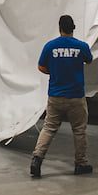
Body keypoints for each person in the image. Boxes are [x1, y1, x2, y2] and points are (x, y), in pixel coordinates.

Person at [30, 15, 93, 178]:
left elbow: (41, 66)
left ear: (59, 28)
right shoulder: (82, 46)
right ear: (73, 28)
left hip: (56, 96)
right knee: (79, 130)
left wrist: (54, 71)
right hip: (76, 96)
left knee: (49, 127)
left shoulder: (50, 46)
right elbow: (89, 60)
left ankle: (37, 159)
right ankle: (81, 163)